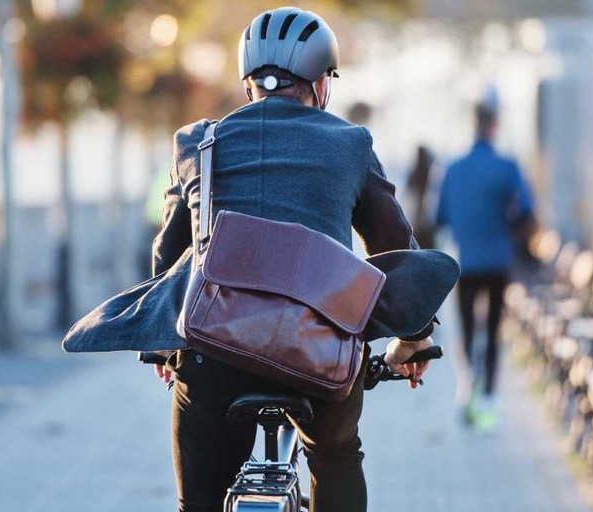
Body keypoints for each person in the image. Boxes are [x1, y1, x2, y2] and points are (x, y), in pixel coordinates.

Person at [149, 8, 438, 512]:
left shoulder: (198, 143)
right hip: (320, 352)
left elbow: (169, 255)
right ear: (322, 85)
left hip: (214, 352)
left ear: (248, 86)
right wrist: (413, 339)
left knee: (198, 502)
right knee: (335, 455)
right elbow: (394, 250)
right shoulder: (350, 144)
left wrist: (162, 346)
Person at [436, 96, 535, 431]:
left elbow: (440, 216)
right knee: (492, 331)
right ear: (495, 126)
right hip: (498, 260)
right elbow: (526, 212)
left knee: (466, 329)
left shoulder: (453, 169)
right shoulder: (508, 167)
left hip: (464, 261)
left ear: (473, 124)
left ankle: (467, 386)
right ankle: (489, 400)